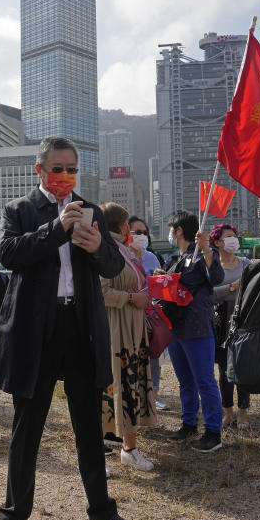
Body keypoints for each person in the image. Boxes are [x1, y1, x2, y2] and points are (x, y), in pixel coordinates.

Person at [0, 136, 138, 520]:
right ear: (39, 170)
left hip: (80, 327)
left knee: (89, 426)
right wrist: (57, 228)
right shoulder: (20, 209)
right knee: (26, 428)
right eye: (57, 168)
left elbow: (115, 266)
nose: (65, 176)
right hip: (36, 332)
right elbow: (8, 253)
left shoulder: (93, 212)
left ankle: (101, 510)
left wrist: (100, 245)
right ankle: (12, 516)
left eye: (71, 169)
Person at [99, 202, 157, 471]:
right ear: (121, 226)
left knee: (129, 385)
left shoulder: (123, 250)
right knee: (112, 388)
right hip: (115, 329)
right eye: (127, 225)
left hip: (132, 328)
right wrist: (132, 297)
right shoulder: (104, 250)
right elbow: (100, 293)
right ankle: (99, 452)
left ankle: (129, 449)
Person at [162, 211, 225, 452]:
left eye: (171, 229)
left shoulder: (201, 255)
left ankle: (213, 432)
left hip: (197, 327)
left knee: (205, 381)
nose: (170, 233)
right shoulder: (174, 258)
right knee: (185, 381)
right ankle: (188, 424)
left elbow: (216, 277)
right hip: (176, 327)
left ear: (178, 231)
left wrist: (207, 248)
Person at [209, 223, 250, 430]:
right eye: (228, 236)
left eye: (235, 236)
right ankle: (228, 413)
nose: (233, 239)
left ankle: (243, 414)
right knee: (225, 370)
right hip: (220, 322)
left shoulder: (246, 263)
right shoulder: (212, 266)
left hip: (243, 320)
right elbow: (209, 292)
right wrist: (232, 287)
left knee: (243, 368)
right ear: (217, 242)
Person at [127, 216, 168, 411]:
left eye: (145, 232)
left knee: (152, 355)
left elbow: (159, 287)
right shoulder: (122, 256)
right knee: (131, 357)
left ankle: (153, 395)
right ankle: (133, 396)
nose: (142, 236)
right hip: (127, 314)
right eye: (137, 232)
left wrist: (159, 279)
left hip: (149, 314)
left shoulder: (151, 257)